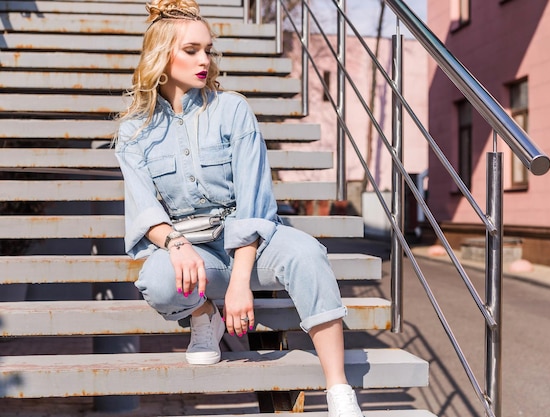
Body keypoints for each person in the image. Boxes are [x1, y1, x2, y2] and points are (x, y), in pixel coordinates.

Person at [114, 1, 363, 416]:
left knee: (307, 254)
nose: (204, 60)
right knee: (156, 279)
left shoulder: (232, 108)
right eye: (191, 50)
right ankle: (204, 314)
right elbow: (144, 211)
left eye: (207, 50)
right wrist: (175, 243)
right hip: (193, 248)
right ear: (161, 54)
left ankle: (339, 391)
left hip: (251, 238)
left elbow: (254, 199)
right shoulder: (134, 130)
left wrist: (241, 280)